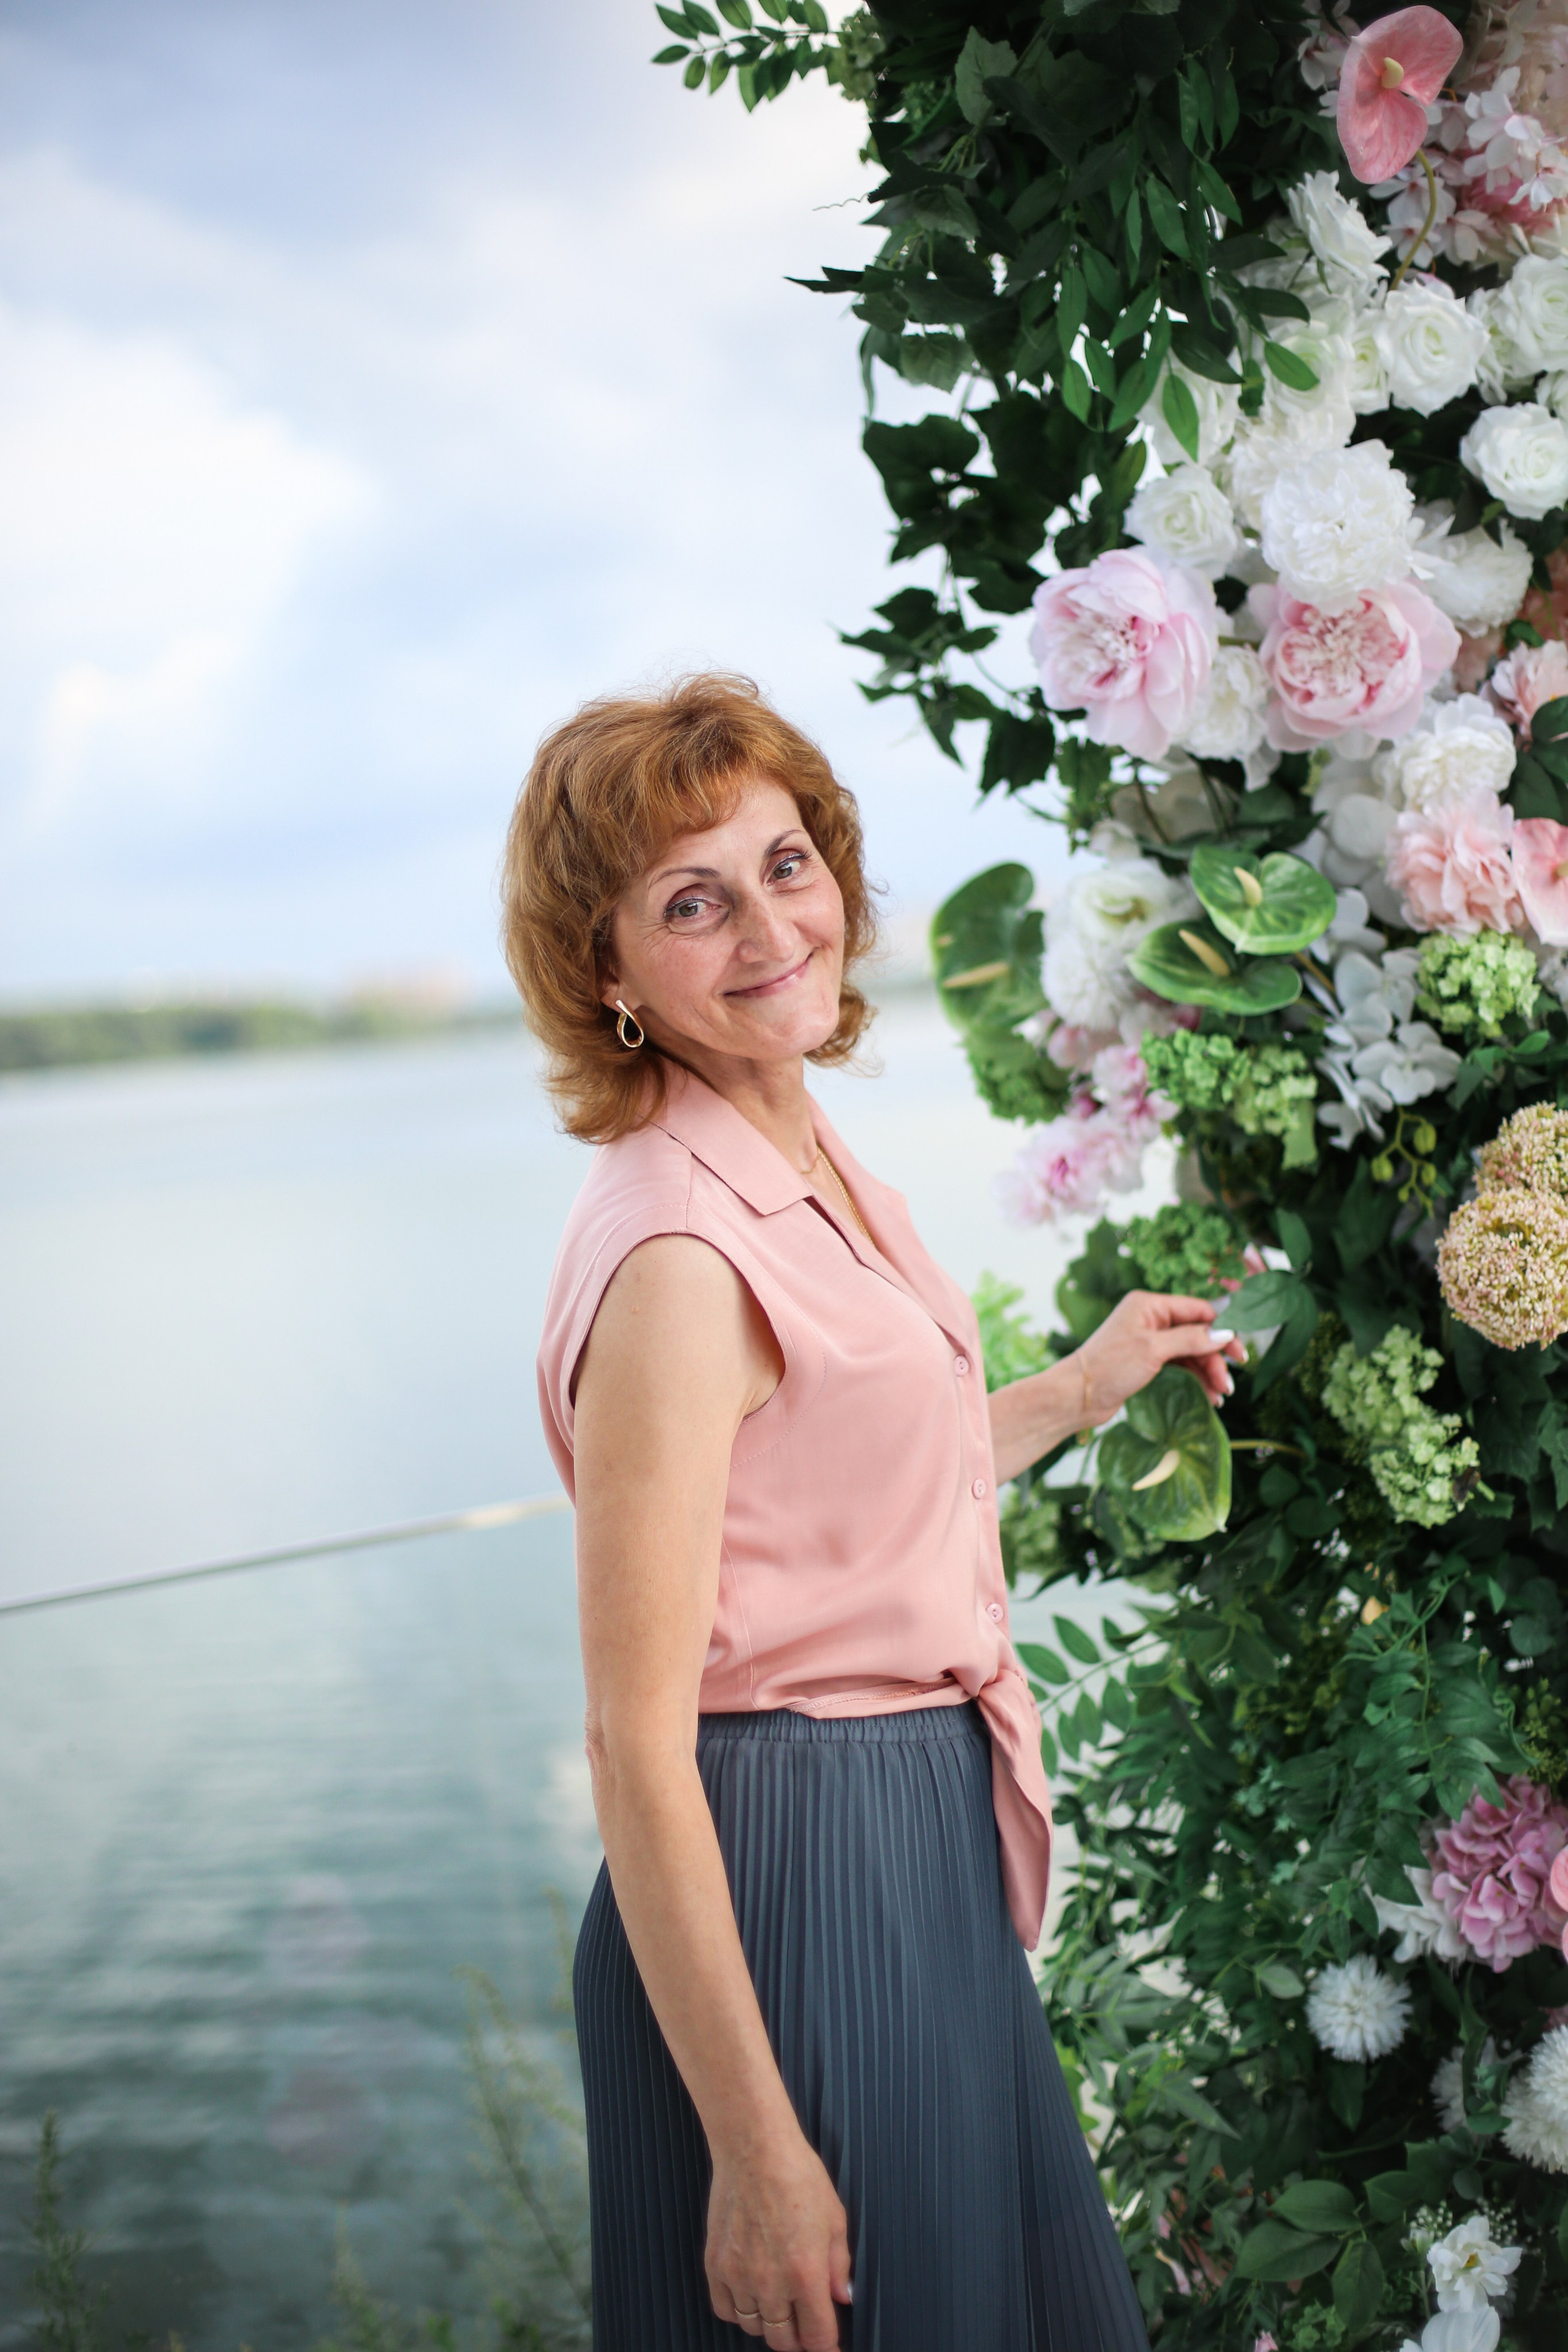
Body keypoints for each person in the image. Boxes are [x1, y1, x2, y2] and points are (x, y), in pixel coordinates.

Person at [505, 674, 1241, 2352]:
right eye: (692, 902)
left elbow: (829, 1502)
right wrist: (758, 2154)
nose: (769, 927)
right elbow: (634, 1739)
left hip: (904, 1836)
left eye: (785, 863)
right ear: (606, 970)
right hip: (793, 1869)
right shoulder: (684, 1254)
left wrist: (1075, 1387)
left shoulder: (803, 1152)